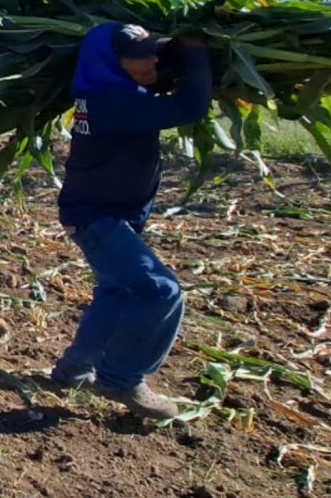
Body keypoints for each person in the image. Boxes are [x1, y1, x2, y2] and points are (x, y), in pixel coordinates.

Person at [50, 22, 211, 420]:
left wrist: (170, 59)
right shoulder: (113, 100)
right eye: (140, 55)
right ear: (112, 62)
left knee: (118, 290)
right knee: (160, 291)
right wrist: (196, 49)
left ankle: (74, 367)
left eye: (153, 52)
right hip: (96, 218)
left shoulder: (105, 90)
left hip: (107, 214)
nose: (151, 60)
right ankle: (122, 379)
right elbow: (191, 106)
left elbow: (156, 84)